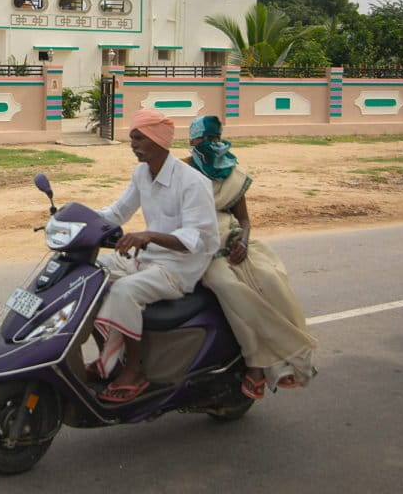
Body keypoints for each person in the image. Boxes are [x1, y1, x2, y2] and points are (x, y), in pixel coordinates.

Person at [89, 109, 220, 403]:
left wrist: (148, 236)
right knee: (90, 275)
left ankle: (134, 372)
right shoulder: (142, 174)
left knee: (124, 290)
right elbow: (117, 212)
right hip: (148, 260)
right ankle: (110, 359)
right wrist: (77, 217)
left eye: (139, 138)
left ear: (158, 140)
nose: (133, 145)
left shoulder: (191, 182)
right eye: (131, 138)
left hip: (179, 268)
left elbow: (194, 239)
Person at [188, 115, 317, 399]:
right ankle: (261, 361)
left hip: (233, 242)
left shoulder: (231, 173)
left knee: (271, 278)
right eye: (204, 139)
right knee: (229, 288)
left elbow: (244, 220)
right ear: (192, 141)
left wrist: (244, 242)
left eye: (214, 139)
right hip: (201, 249)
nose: (211, 144)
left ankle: (280, 361)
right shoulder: (183, 171)